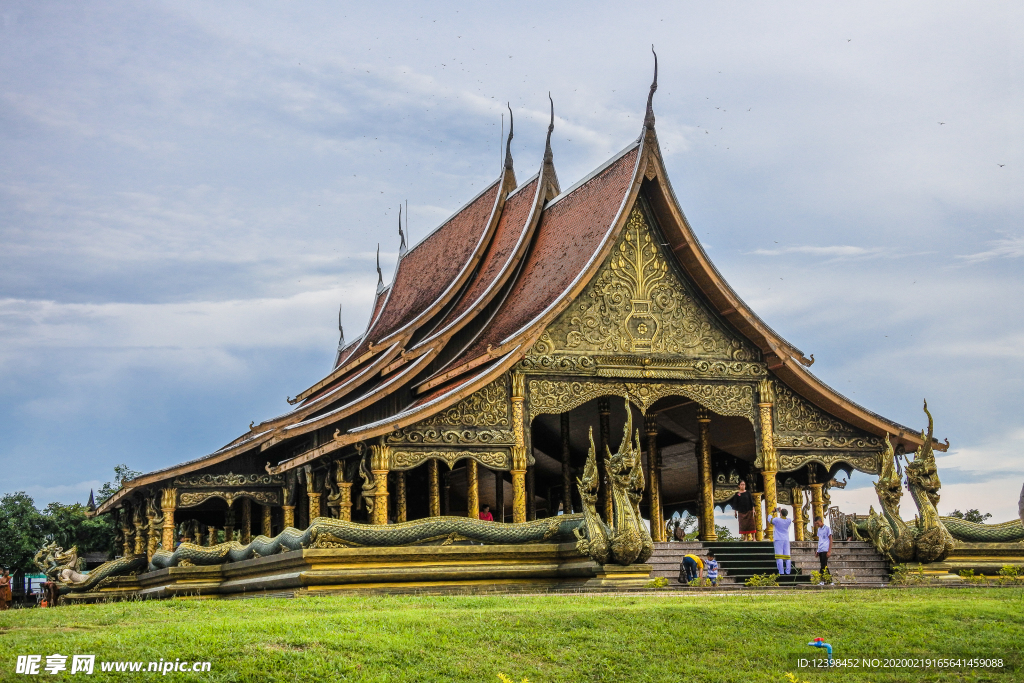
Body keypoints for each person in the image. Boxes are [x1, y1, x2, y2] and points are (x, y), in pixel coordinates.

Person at [768, 507, 793, 575]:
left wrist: (772, 512)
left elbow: (769, 519)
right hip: (786, 539)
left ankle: (781, 572)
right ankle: (788, 571)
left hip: (778, 539)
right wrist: (780, 512)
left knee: (779, 556)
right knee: (787, 556)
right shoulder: (789, 520)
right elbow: (784, 517)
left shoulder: (777, 520)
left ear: (781, 514)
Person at [815, 516, 832, 584]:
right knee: (823, 565)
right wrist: (817, 550)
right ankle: (827, 580)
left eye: (817, 523)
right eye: (816, 523)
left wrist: (829, 550)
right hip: (821, 549)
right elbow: (820, 540)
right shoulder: (819, 530)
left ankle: (824, 580)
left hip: (825, 548)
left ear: (821, 521)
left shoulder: (827, 529)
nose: (817, 525)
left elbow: (830, 539)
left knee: (824, 565)